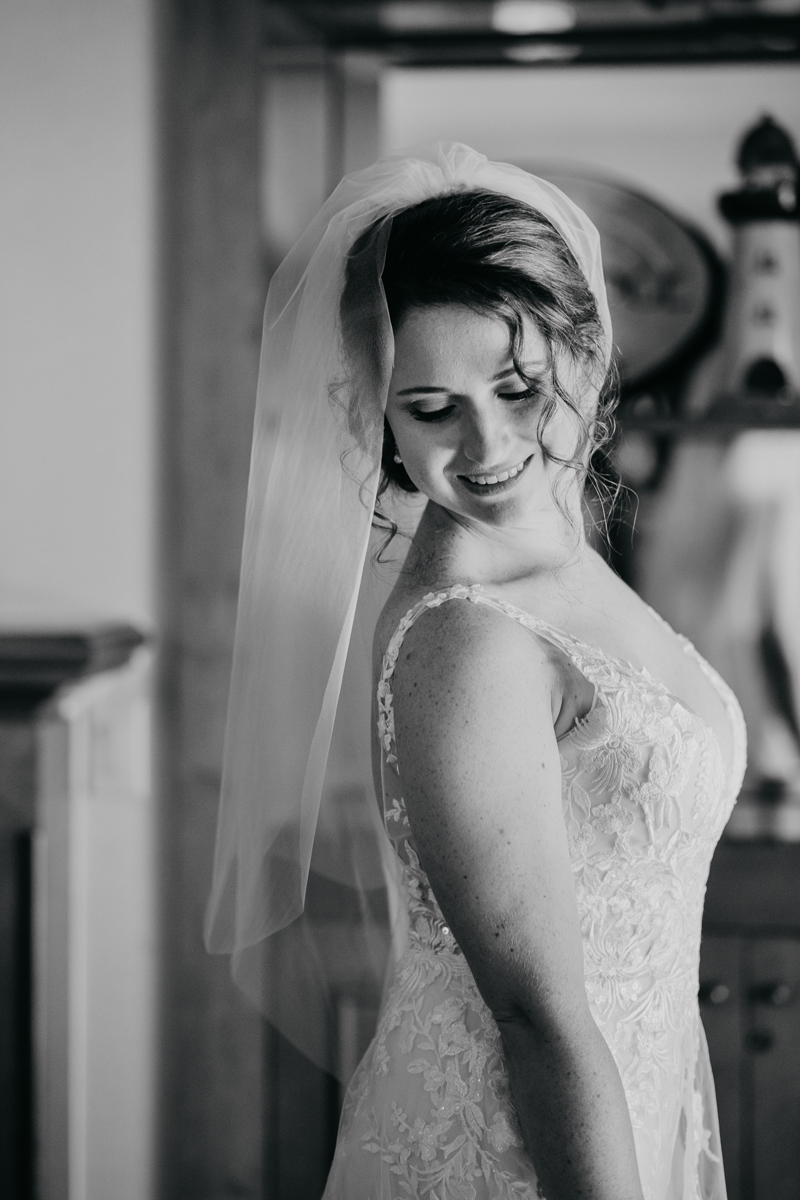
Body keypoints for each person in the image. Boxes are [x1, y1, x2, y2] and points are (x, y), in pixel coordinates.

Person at [206, 145, 745, 1200]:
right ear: (380, 419)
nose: (488, 444)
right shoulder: (467, 639)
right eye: (430, 407)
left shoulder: (559, 558)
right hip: (516, 1155)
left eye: (514, 387)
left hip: (631, 1099)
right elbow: (537, 1019)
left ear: (583, 357)